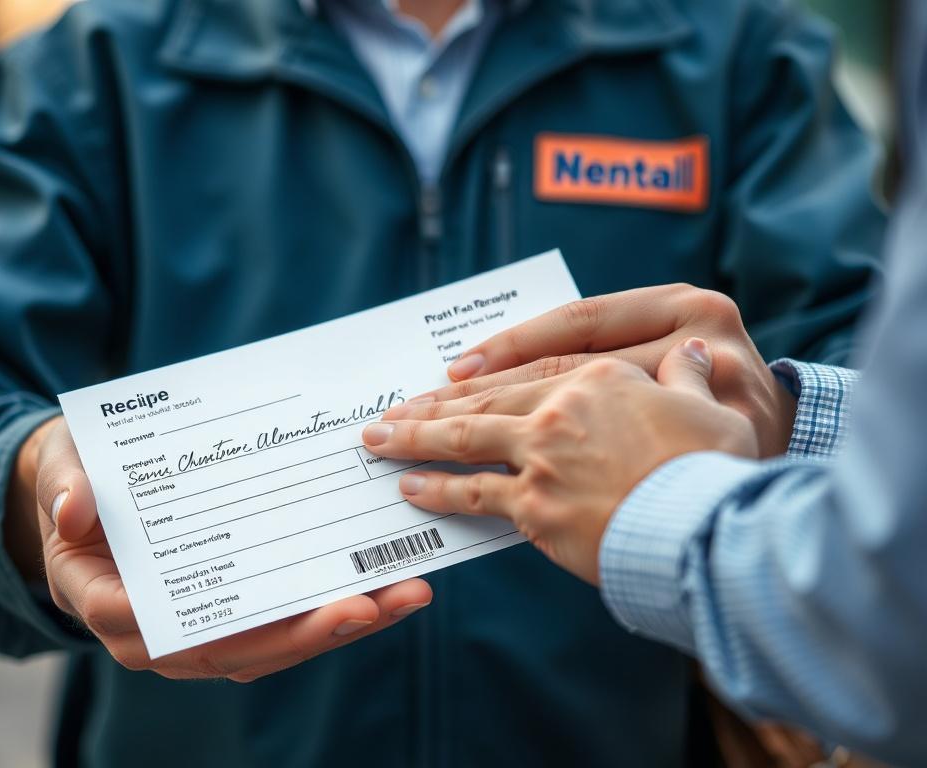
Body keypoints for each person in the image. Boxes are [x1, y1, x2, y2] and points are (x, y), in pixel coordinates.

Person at [0, 0, 886, 765]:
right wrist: (31, 491)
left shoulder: (736, 57)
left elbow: (884, 389)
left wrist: (781, 409)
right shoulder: (92, 71)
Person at [360, 3, 927, 764]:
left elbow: (887, 402)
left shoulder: (740, 41)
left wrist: (779, 411)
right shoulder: (145, 46)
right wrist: (145, 562)